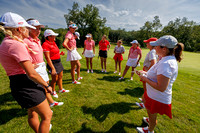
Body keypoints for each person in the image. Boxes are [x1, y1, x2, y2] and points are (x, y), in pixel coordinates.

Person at [0, 12, 52, 132]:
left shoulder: (5, 43)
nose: (28, 31)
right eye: (26, 28)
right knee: (47, 115)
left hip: (16, 83)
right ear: (19, 29)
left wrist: (30, 64)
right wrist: (47, 85)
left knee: (32, 112)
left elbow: (14, 64)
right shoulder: (16, 44)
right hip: (25, 84)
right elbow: (32, 73)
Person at [136, 35, 184, 133]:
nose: (155, 48)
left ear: (164, 49)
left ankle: (150, 130)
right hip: (152, 94)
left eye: (157, 46)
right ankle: (151, 120)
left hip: (157, 97)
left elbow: (161, 87)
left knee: (152, 112)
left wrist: (145, 78)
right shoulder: (164, 58)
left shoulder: (166, 63)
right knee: (146, 102)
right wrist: (146, 73)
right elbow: (157, 73)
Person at [24, 19, 64, 107]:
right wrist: (30, 65)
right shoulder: (25, 41)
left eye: (39, 29)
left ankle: (50, 102)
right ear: (29, 29)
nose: (39, 31)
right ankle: (48, 104)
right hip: (35, 68)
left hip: (41, 66)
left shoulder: (37, 40)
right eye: (36, 28)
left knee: (46, 84)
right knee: (43, 87)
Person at [42, 29, 69, 98]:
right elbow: (48, 58)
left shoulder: (54, 43)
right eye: (53, 36)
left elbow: (54, 52)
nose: (55, 37)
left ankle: (60, 89)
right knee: (54, 79)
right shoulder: (45, 44)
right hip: (52, 63)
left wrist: (60, 53)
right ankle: (53, 91)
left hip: (58, 62)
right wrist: (53, 68)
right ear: (48, 37)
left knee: (60, 76)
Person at [136, 37, 158, 109]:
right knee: (147, 89)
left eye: (148, 42)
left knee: (146, 89)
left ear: (152, 44)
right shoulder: (154, 51)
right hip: (149, 71)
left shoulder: (152, 52)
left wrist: (146, 72)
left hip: (148, 71)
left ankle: (145, 104)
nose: (146, 44)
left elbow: (153, 63)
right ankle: (144, 100)